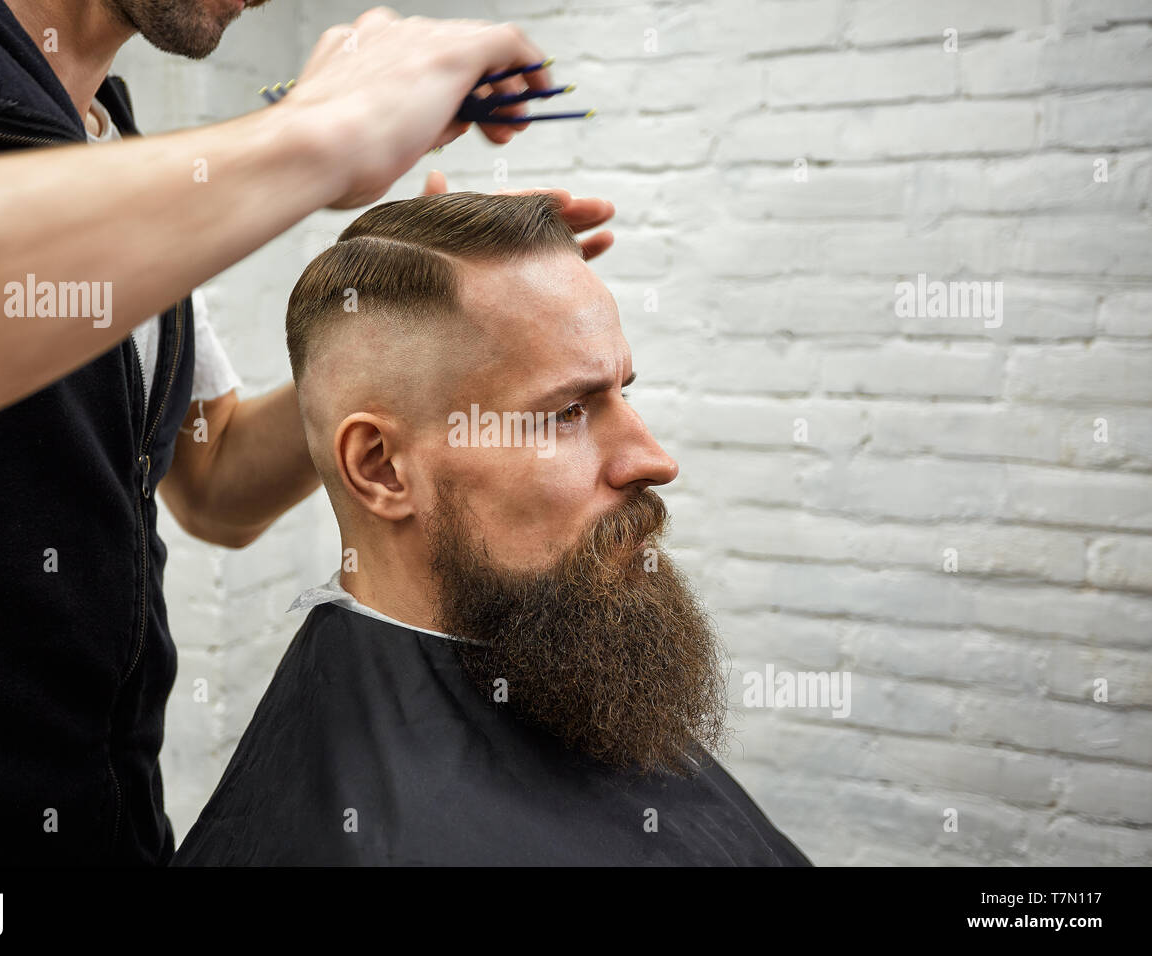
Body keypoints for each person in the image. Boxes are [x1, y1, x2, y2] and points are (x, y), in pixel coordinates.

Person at [0, 1, 614, 865]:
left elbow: (217, 487)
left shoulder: (119, 154)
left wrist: (410, 340)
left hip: (104, 821)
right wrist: (321, 132)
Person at [173, 192, 811, 866]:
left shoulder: (564, 662)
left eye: (624, 391)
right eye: (568, 411)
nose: (654, 460)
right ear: (383, 469)